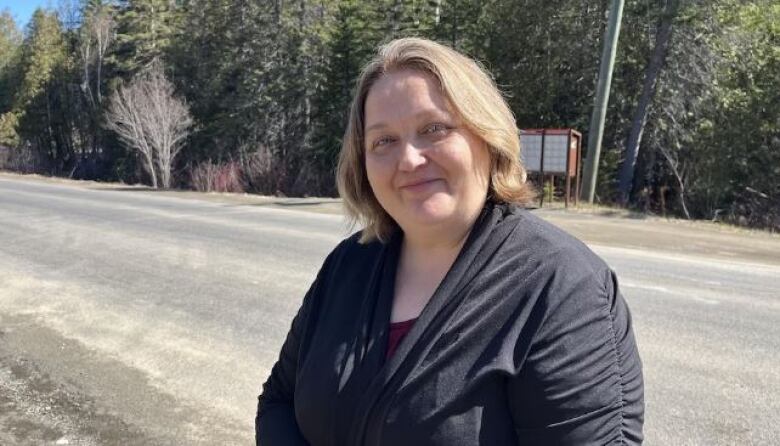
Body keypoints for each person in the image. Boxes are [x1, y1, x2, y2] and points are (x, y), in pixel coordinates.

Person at [256, 37, 644, 445]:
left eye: (434, 128)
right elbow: (280, 400)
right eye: (383, 140)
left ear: (486, 135)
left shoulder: (560, 287)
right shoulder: (348, 265)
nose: (408, 159)